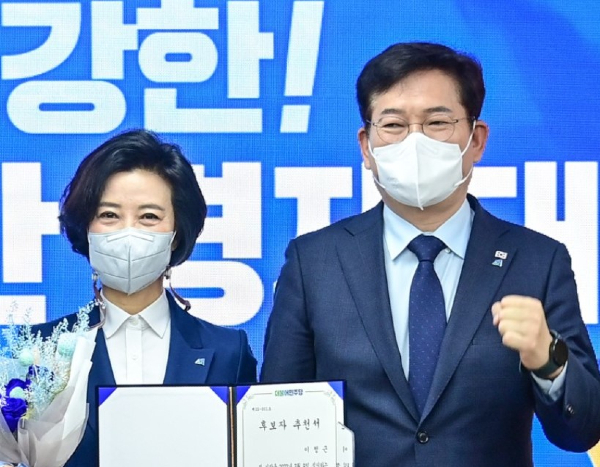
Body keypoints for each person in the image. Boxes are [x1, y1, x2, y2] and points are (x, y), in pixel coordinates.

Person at [261, 42, 600, 466]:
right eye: (394, 125)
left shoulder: (537, 260)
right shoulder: (314, 262)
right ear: (366, 147)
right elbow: (275, 419)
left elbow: (584, 430)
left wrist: (549, 360)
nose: (415, 141)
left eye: (437, 122)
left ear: (476, 140)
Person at [35, 129, 257, 466]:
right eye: (109, 215)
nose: (129, 232)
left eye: (149, 217)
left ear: (177, 232)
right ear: (86, 228)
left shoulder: (228, 352)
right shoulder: (39, 350)